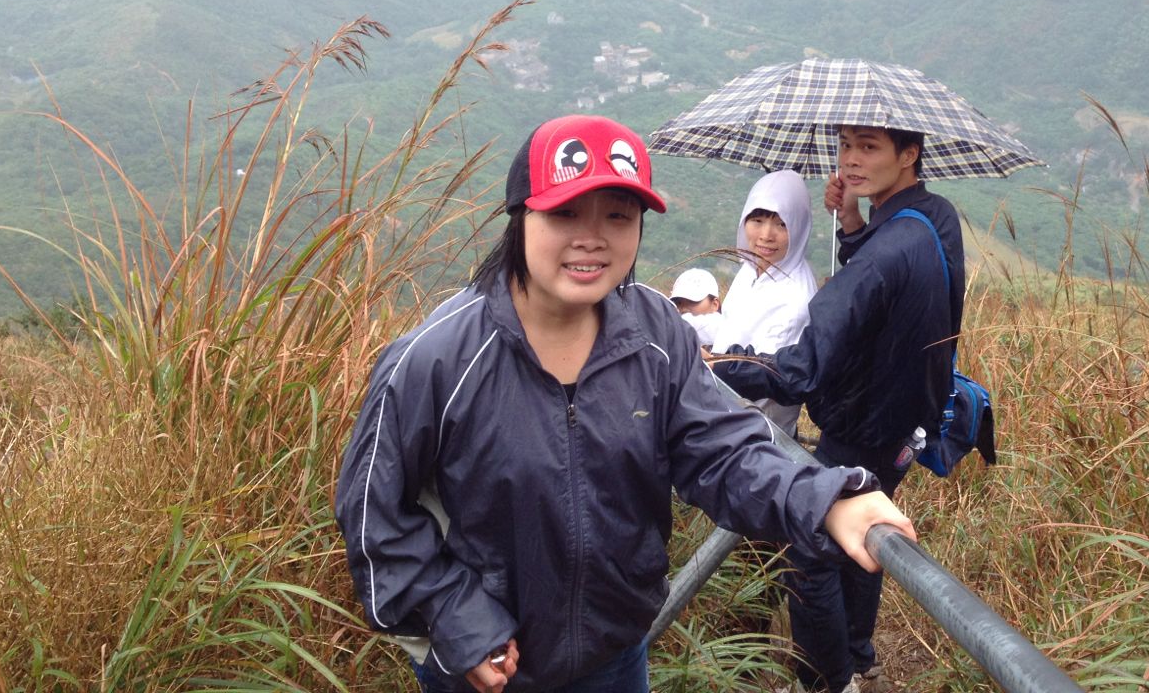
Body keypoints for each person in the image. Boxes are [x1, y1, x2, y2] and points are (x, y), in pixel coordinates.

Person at [334, 114, 916, 693]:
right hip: (490, 662)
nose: (592, 237)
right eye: (565, 213)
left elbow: (721, 450)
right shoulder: (437, 359)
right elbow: (372, 514)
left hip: (616, 652)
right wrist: (456, 617)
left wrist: (824, 499)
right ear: (521, 216)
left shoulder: (654, 333)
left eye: (618, 215)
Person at [711, 125, 964, 693]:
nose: (850, 160)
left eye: (868, 147)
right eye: (846, 145)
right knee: (864, 529)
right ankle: (858, 656)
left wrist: (719, 364)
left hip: (863, 423)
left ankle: (825, 681)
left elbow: (800, 370)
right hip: (907, 421)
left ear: (909, 153)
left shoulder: (885, 252)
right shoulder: (932, 216)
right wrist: (851, 224)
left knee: (812, 548)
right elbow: (887, 288)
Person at [679, 169, 818, 437]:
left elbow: (762, 378)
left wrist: (710, 368)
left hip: (755, 434)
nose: (766, 235)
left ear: (799, 227)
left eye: (782, 224)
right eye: (757, 220)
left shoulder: (794, 298)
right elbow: (731, 327)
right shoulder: (753, 266)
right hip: (722, 411)